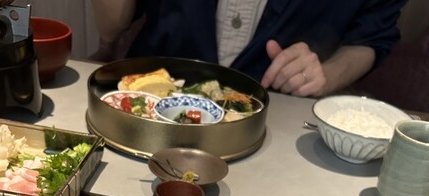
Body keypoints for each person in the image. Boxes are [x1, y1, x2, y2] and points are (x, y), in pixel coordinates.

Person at [90, 0, 408, 97]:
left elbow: (372, 36)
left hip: (277, 122)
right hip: (148, 100)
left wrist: (326, 74)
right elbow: (111, 26)